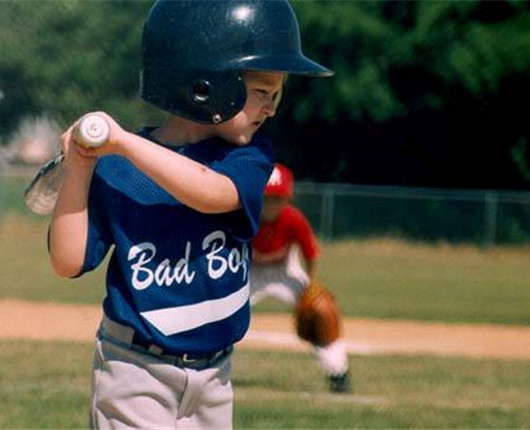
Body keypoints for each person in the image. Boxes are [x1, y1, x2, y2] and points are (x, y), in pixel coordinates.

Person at [47, 0, 332, 428]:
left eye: (276, 94)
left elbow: (211, 194)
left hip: (215, 377)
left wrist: (122, 143)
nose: (271, 107)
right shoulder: (117, 166)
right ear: (203, 85)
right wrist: (81, 167)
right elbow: (67, 261)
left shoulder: (249, 160)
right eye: (261, 92)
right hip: (134, 368)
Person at [250, 163, 351, 393]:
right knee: (222, 311)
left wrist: (311, 285)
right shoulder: (246, 215)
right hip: (251, 272)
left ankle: (338, 372)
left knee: (320, 312)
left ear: (287, 198)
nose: (271, 203)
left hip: (286, 271)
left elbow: (310, 254)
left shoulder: (293, 218)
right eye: (267, 197)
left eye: (278, 198)